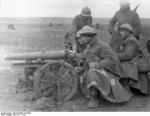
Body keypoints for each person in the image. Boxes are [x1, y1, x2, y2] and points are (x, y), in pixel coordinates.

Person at [75, 25, 133, 108]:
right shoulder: (89, 47)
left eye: (82, 37)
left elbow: (112, 60)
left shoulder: (102, 46)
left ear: (89, 37)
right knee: (89, 72)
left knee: (92, 73)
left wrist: (97, 64)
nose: (81, 39)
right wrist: (82, 67)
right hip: (101, 70)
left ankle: (94, 98)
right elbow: (85, 59)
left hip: (111, 72)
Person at [116, 23, 150, 95]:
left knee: (123, 65)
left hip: (137, 64)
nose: (120, 32)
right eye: (120, 30)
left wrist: (114, 55)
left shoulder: (131, 40)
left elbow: (127, 56)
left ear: (128, 32)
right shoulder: (128, 40)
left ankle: (126, 88)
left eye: (122, 31)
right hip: (136, 63)